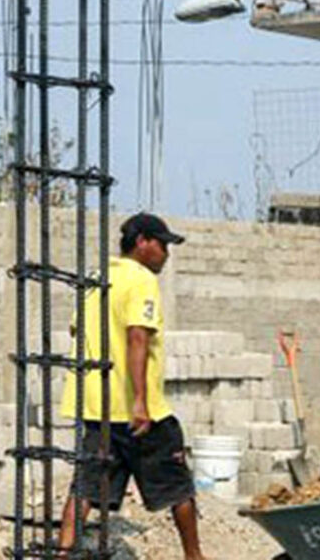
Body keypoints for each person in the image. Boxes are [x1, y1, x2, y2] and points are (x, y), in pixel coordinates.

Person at [59, 213, 205, 560]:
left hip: (97, 408)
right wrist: (140, 401)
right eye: (162, 244)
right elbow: (136, 336)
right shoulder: (141, 280)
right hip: (141, 411)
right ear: (142, 242)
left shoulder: (95, 279)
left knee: (85, 488)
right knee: (178, 486)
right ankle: (194, 556)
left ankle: (61, 554)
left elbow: (76, 332)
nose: (166, 254)